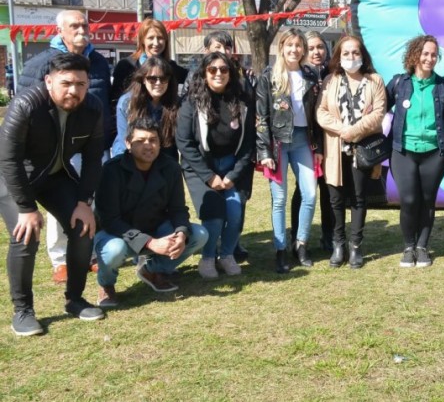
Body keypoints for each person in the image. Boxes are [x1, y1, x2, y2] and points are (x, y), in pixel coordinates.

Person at [0, 53, 106, 336]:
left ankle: (75, 299)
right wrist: (25, 208)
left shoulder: (92, 108)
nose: (74, 90)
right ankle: (23, 311)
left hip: (55, 176)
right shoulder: (25, 105)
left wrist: (84, 202)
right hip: (14, 179)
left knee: (83, 227)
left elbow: (94, 159)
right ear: (49, 81)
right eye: (66, 83)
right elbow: (8, 159)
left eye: (81, 84)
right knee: (26, 235)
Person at [18, 9, 111, 284]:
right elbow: (26, 107)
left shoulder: (98, 61)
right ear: (60, 30)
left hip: (91, 141)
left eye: (84, 24)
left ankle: (88, 255)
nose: (81, 30)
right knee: (61, 203)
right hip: (53, 148)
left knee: (88, 199)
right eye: (74, 26)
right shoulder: (42, 63)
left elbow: (105, 100)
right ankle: (60, 259)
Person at [94, 117, 209, 306]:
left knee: (199, 234)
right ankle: (106, 285)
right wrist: (150, 243)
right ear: (128, 144)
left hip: (155, 227)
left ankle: (152, 269)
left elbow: (178, 209)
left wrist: (180, 233)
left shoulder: (170, 167)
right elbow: (110, 220)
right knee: (114, 250)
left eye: (153, 140)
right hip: (117, 233)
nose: (148, 146)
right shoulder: (111, 170)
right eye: (140, 141)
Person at [176, 52, 254, 279]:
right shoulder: (192, 101)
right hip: (201, 167)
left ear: (230, 72)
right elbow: (184, 142)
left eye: (223, 69)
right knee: (214, 214)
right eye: (212, 70)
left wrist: (233, 175)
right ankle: (208, 257)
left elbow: (248, 143)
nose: (218, 73)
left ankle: (227, 255)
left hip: (230, 165)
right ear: (204, 73)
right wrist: (209, 177)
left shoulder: (242, 101)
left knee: (235, 211)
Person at [316, 35, 387, 269]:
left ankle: (355, 245)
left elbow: (378, 114)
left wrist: (354, 131)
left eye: (355, 52)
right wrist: (343, 130)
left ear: (362, 55)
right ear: (339, 56)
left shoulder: (374, 80)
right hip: (335, 148)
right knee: (335, 198)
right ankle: (338, 244)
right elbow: (321, 112)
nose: (350, 57)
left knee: (358, 197)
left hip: (362, 149)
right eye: (345, 53)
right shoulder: (330, 80)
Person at [256, 29, 322, 273]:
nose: (294, 49)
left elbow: (318, 114)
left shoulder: (310, 75)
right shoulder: (269, 76)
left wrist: (319, 147)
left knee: (310, 194)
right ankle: (280, 249)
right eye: (289, 45)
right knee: (280, 199)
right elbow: (261, 116)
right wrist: (265, 152)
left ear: (303, 48)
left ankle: (301, 244)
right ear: (281, 47)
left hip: (305, 140)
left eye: (298, 45)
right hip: (278, 143)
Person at [386, 35, 444, 268]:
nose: (429, 58)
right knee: (409, 199)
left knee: (427, 200)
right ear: (415, 55)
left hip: (435, 153)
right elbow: (378, 109)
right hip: (403, 152)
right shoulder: (399, 83)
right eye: (425, 53)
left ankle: (422, 247)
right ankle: (408, 246)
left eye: (434, 54)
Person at [291, 31, 335, 252]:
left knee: (329, 190)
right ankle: (296, 237)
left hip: (330, 141)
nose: (316, 52)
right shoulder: (299, 75)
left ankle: (329, 236)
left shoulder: (333, 72)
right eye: (311, 48)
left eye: (320, 47)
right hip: (306, 140)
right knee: (303, 189)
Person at [111, 56, 181, 160]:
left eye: (163, 79)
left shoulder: (176, 103)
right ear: (143, 79)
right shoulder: (127, 102)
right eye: (152, 79)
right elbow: (123, 140)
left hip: (164, 158)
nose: (158, 83)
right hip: (130, 155)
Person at [111, 18, 188, 105]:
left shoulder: (171, 66)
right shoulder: (126, 65)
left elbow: (193, 77)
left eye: (160, 38)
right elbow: (115, 100)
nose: (156, 43)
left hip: (166, 117)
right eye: (151, 38)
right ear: (142, 40)